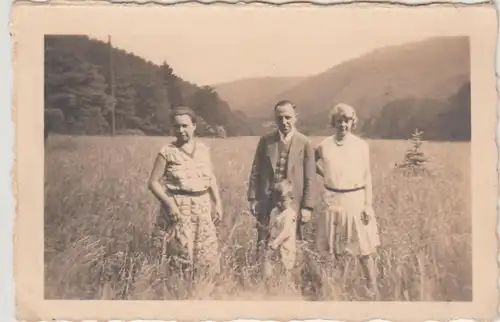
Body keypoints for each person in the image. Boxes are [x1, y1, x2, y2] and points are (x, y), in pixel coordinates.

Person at [148, 106, 223, 295]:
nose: (181, 130)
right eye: (177, 127)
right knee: (179, 256)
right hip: (178, 210)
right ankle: (177, 294)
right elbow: (153, 183)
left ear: (194, 126)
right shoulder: (167, 152)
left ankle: (203, 293)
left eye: (185, 126)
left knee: (205, 256)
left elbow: (211, 177)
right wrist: (170, 204)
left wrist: (218, 203)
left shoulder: (204, 150)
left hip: (202, 208)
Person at [314, 103, 381, 298]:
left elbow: (367, 175)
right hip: (332, 200)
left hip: (356, 200)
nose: (343, 125)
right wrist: (325, 174)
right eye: (339, 121)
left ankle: (373, 288)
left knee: (363, 249)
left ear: (353, 122)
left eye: (347, 121)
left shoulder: (361, 146)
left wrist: (368, 205)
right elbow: (310, 160)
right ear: (333, 123)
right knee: (332, 248)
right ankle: (334, 288)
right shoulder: (324, 145)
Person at [247, 100, 316, 279]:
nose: (284, 122)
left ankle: (290, 281)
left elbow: (310, 177)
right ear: (275, 120)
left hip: (292, 203)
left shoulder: (304, 142)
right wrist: (253, 198)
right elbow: (255, 170)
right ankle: (265, 281)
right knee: (265, 240)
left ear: (295, 118)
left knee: (291, 242)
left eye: (288, 117)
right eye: (280, 118)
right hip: (267, 200)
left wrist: (307, 206)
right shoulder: (266, 141)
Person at [262, 179, 298, 292]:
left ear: (291, 198)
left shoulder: (290, 214)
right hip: (273, 247)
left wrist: (276, 242)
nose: (279, 203)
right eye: (276, 200)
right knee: (269, 269)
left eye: (282, 200)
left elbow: (286, 232)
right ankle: (268, 289)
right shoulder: (274, 212)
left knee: (285, 271)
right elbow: (271, 227)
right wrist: (262, 228)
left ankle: (287, 292)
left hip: (285, 248)